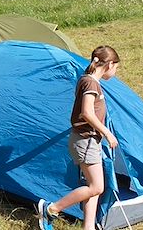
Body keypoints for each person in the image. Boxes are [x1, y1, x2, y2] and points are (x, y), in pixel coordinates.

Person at [37, 45, 121, 230]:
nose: (115, 72)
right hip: (86, 140)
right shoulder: (91, 83)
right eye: (116, 67)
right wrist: (107, 133)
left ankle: (88, 227)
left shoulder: (87, 80)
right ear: (109, 65)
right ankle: (51, 209)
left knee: (93, 187)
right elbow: (87, 113)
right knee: (96, 187)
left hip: (89, 140)